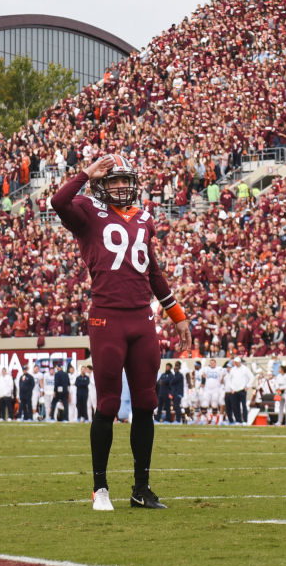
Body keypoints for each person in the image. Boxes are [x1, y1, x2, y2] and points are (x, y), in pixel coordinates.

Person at [52, 153, 191, 511]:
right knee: (109, 403)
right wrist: (85, 173)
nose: (119, 186)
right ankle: (100, 488)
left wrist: (177, 314)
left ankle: (141, 488)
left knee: (146, 402)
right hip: (107, 318)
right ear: (101, 184)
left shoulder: (144, 218)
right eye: (112, 180)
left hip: (143, 319)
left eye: (123, 180)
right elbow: (57, 201)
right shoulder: (86, 211)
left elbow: (153, 271)